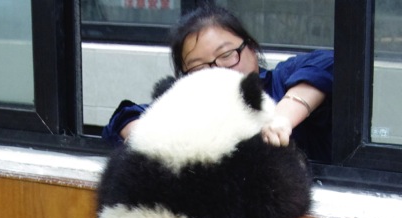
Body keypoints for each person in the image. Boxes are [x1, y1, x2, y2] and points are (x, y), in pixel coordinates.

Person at [101, 5, 333, 162]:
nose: (218, 70)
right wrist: (150, 138)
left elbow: (330, 63)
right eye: (198, 67)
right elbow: (124, 117)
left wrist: (282, 117)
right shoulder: (192, 106)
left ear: (251, 48)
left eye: (227, 55)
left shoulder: (280, 81)